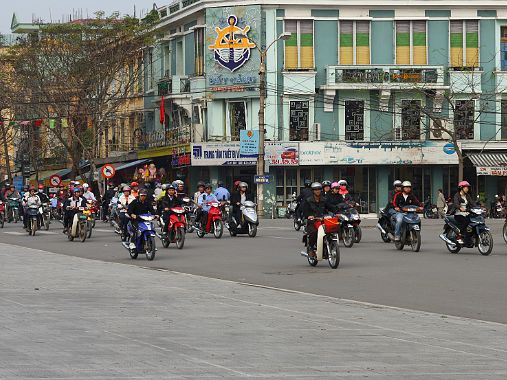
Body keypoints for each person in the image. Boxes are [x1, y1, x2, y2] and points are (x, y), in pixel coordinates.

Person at [302, 182, 333, 257]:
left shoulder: (324, 199)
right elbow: (304, 210)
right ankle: (311, 248)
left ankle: (329, 245)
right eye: (315, 189)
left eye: (319, 189)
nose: (317, 191)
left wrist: (338, 211)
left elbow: (331, 207)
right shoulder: (308, 200)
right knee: (314, 232)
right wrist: (309, 216)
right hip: (312, 221)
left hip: (322, 220)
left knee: (331, 230)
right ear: (312, 191)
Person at [452, 181, 476, 245]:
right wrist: (460, 207)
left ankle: (469, 237)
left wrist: (478, 207)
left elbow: (472, 202)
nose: (467, 189)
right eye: (466, 187)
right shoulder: (457, 195)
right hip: (458, 214)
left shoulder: (467, 195)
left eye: (468, 188)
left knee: (474, 221)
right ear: (461, 188)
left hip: (466, 213)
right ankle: (459, 236)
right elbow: (456, 203)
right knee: (466, 222)